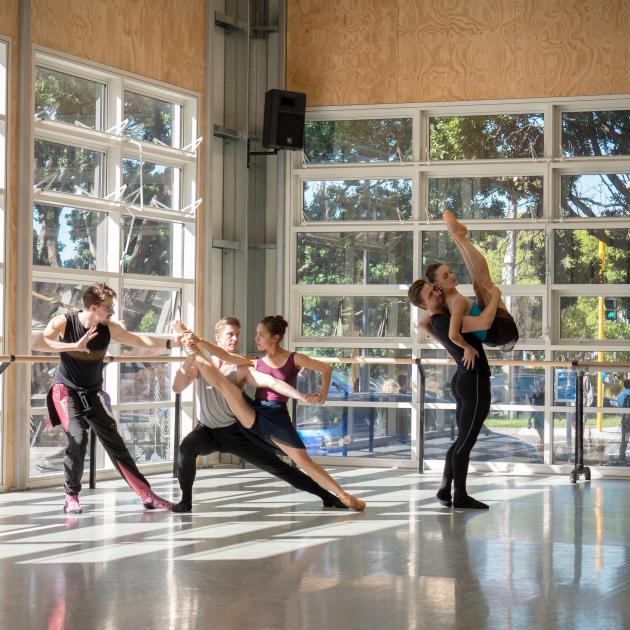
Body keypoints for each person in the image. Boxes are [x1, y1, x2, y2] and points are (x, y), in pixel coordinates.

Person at [176, 316, 366, 511]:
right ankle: (185, 502)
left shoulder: (272, 362)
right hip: (245, 416)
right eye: (232, 334)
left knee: (296, 462)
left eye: (260, 335)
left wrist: (306, 395)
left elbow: (276, 382)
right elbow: (219, 358)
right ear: (218, 336)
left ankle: (334, 495)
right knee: (222, 391)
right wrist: (196, 344)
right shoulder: (254, 361)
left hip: (264, 420)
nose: (253, 339)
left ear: (274, 338)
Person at [32, 283, 179, 514]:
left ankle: (146, 494)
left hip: (92, 392)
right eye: (108, 307)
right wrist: (73, 345)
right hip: (66, 390)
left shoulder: (109, 328)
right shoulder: (64, 321)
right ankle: (71, 495)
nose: (112, 311)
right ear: (93, 307)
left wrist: (174, 343)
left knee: (115, 442)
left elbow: (141, 341)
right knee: (78, 439)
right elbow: (38, 342)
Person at [409, 278, 501, 509]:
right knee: (465, 442)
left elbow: (423, 324)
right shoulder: (447, 322)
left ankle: (444, 488)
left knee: (461, 439)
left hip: (463, 379)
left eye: (435, 289)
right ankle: (459, 495)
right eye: (431, 295)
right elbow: (484, 322)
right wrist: (496, 297)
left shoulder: (437, 320)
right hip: (474, 381)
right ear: (423, 305)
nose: (437, 295)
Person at [425, 210, 519, 351]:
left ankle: (459, 239)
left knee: (477, 284)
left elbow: (422, 323)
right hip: (499, 331)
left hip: (497, 334)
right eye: (445, 276)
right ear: (436, 284)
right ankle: (460, 238)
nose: (452, 276)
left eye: (450, 272)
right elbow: (458, 333)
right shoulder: (456, 301)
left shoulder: (443, 301)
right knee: (484, 284)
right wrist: (495, 297)